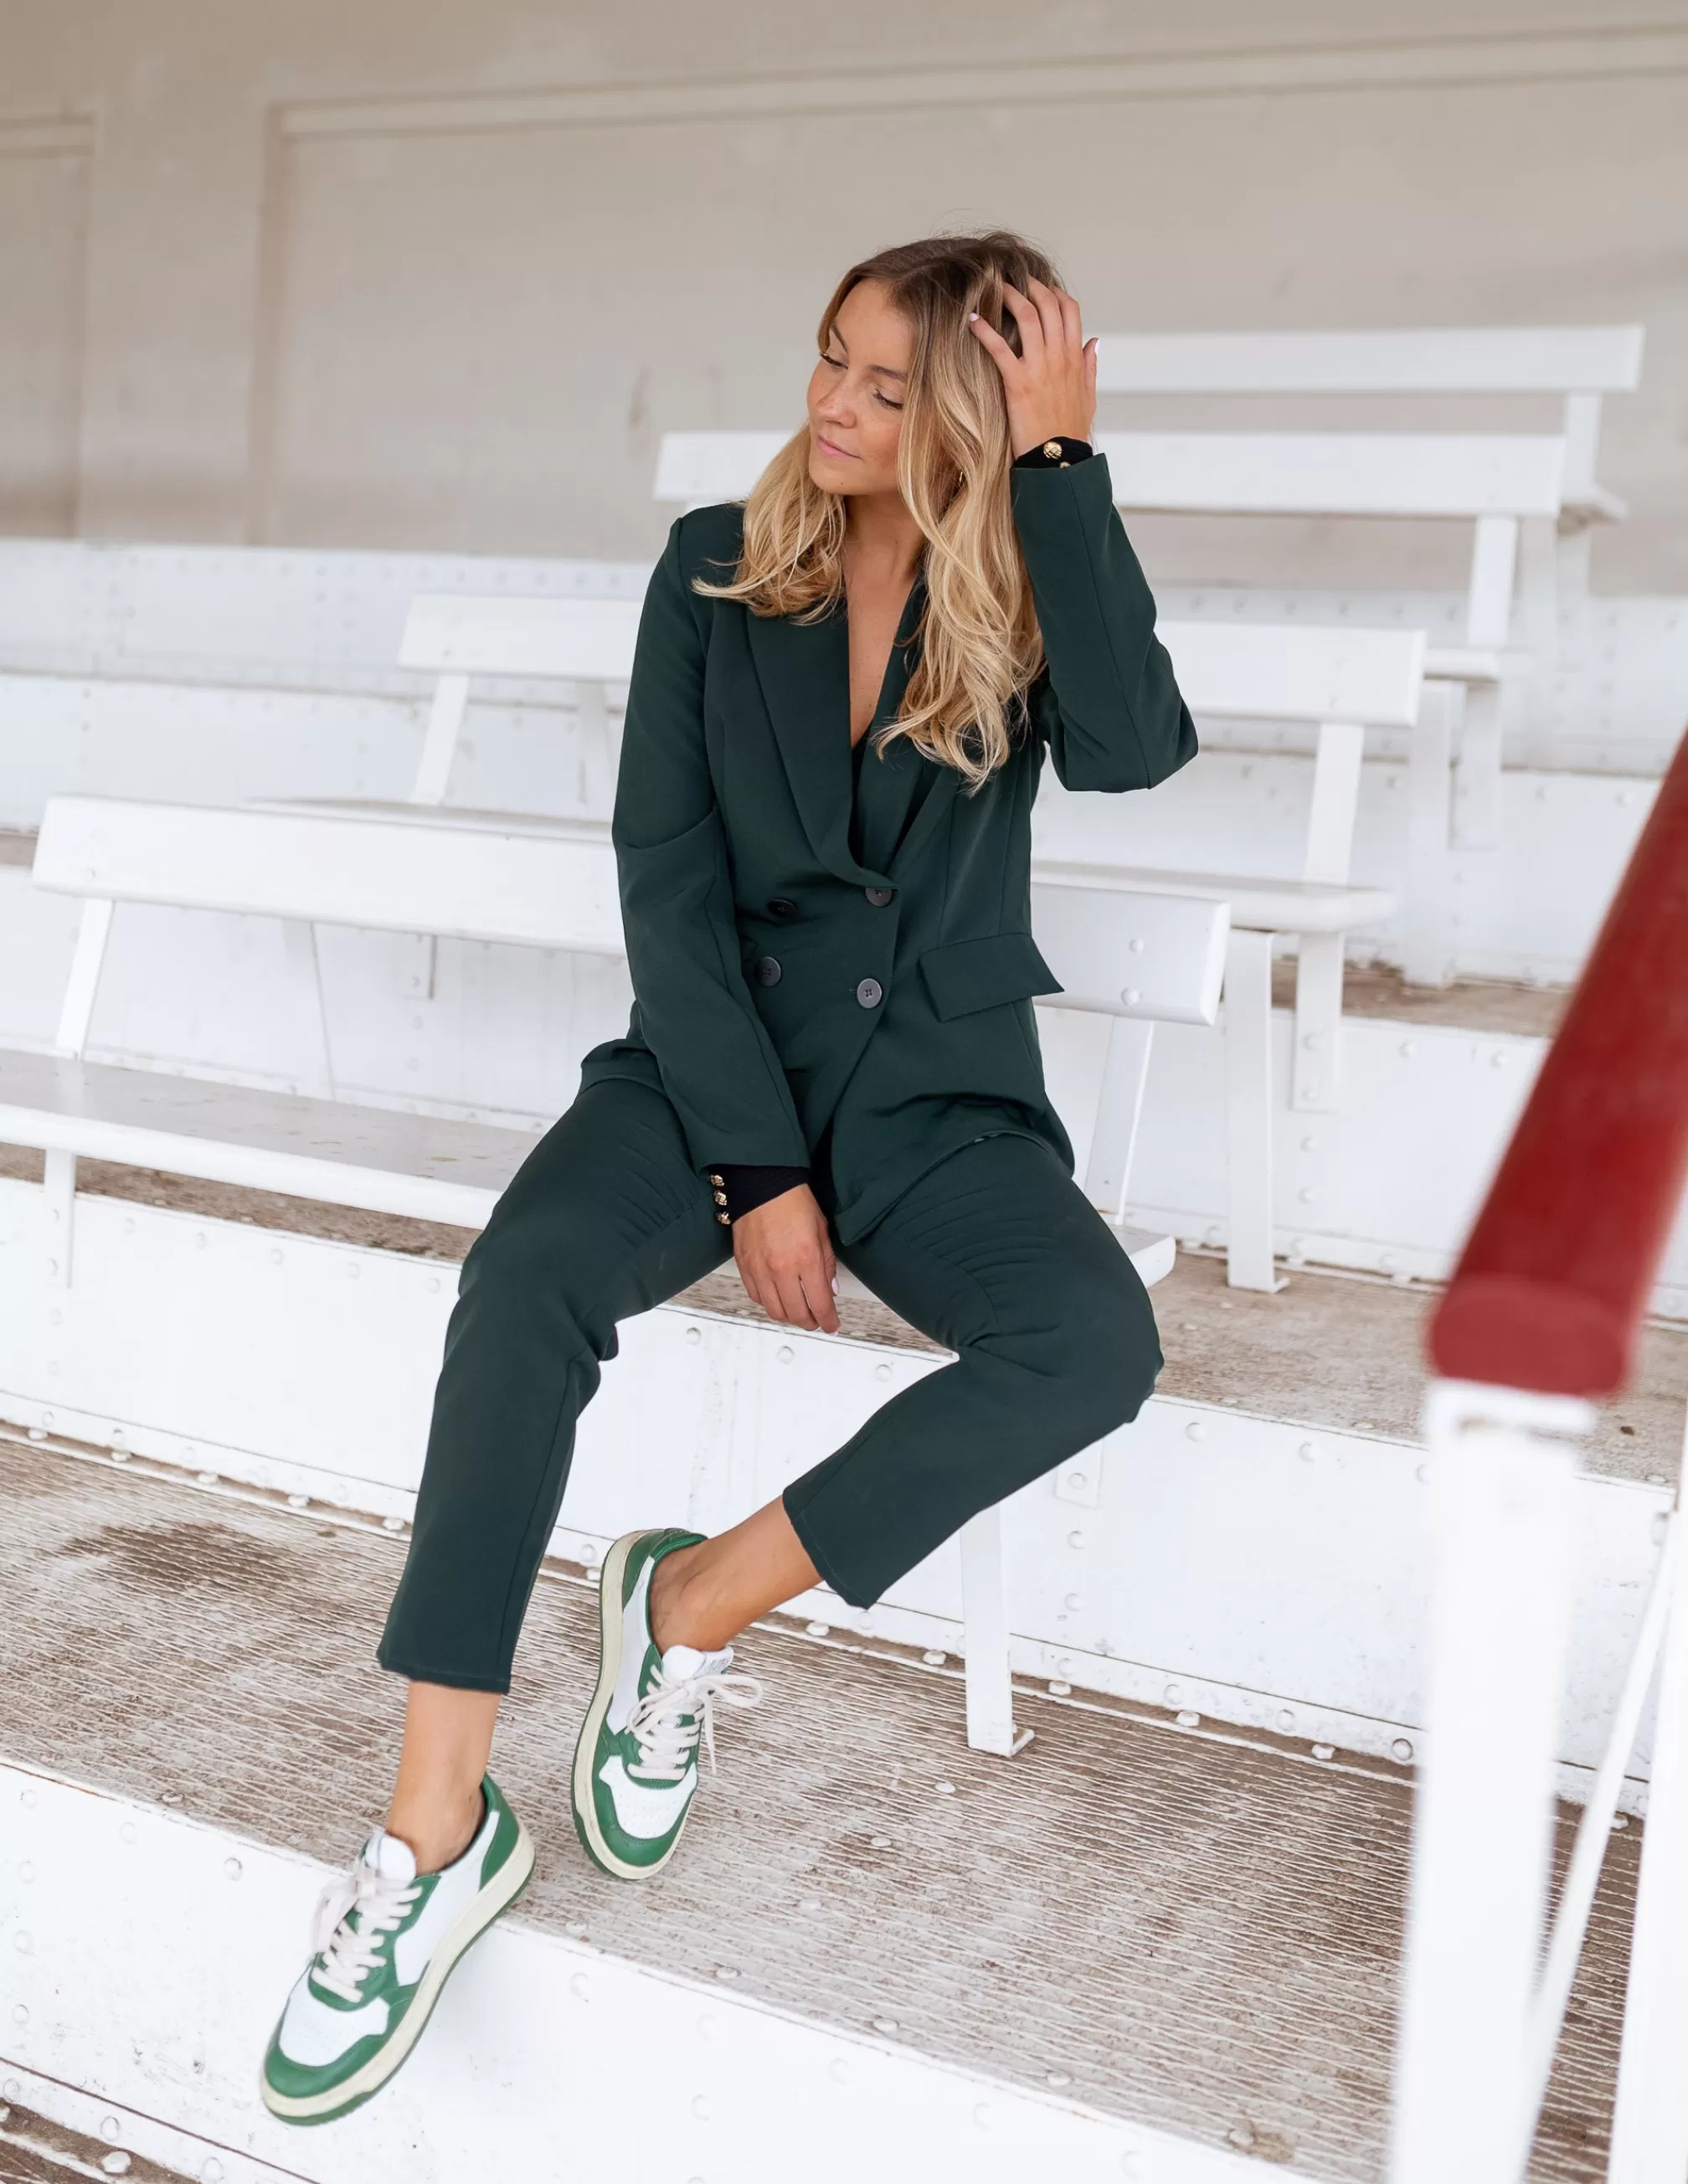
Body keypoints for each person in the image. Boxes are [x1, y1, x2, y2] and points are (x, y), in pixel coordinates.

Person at [259, 228, 1197, 2124]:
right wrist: (758, 1166)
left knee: (1097, 1344)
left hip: (933, 1102)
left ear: (969, 416)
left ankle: (689, 1608)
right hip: (712, 1078)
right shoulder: (712, 563)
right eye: (829, 358)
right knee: (522, 1280)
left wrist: (1062, 468)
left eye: (887, 385)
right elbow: (665, 880)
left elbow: (1134, 751)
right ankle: (434, 1830)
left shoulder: (1026, 570)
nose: (834, 405)